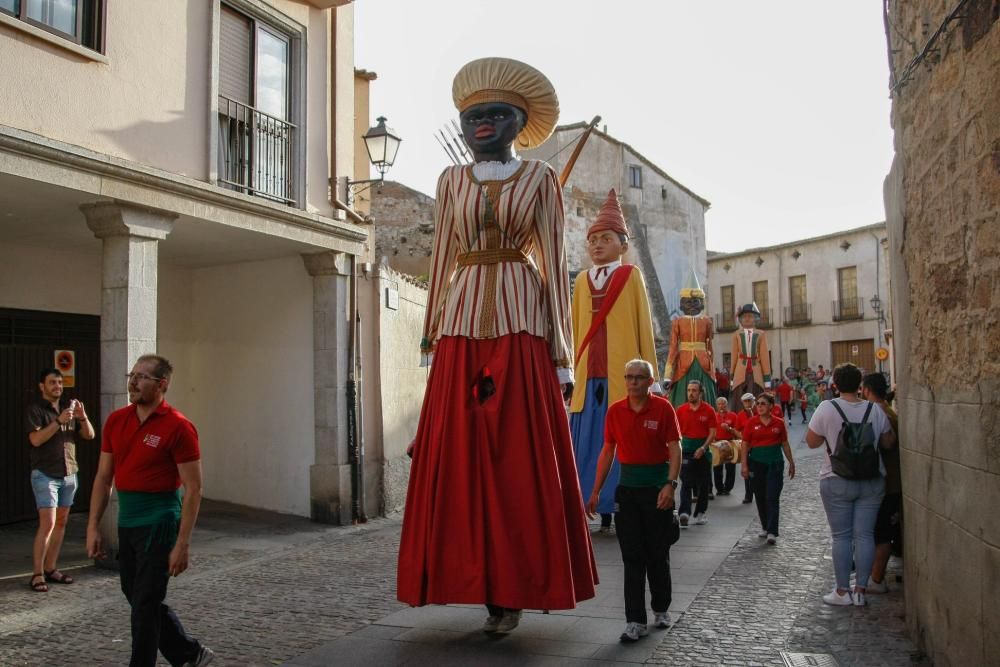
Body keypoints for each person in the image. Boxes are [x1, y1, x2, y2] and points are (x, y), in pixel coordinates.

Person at [397, 57, 598, 634]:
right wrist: (431, 336)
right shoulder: (449, 181)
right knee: (459, 457)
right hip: (461, 320)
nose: (482, 122)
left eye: (496, 114)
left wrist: (561, 354)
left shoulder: (538, 181)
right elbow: (440, 259)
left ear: (519, 123)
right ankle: (470, 576)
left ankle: (514, 585)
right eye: (473, 115)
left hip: (522, 317)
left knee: (516, 457)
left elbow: (556, 261)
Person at [86, 355, 213, 666]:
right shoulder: (117, 420)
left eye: (142, 377)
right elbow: (104, 478)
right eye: (132, 374)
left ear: (162, 384)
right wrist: (92, 526)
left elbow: (194, 489)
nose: (133, 381)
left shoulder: (179, 427)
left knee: (144, 602)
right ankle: (188, 653)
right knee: (137, 595)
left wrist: (182, 544)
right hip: (128, 522)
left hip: (160, 522)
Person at [570, 189, 660, 536]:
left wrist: (649, 375)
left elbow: (643, 325)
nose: (596, 245)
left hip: (623, 375)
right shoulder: (580, 281)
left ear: (623, 244)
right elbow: (575, 327)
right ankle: (587, 503)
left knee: (619, 441)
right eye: (592, 239)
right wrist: (568, 369)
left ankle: (616, 505)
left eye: (605, 238)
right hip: (586, 375)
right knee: (587, 440)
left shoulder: (631, 275)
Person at [587, 359, 681, 643]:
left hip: (657, 489)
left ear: (649, 381)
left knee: (657, 553)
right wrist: (595, 490)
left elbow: (675, 449)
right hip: (628, 491)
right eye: (628, 377)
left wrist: (670, 484)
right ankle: (635, 620)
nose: (633, 382)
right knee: (631, 557)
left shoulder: (663, 408)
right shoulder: (615, 411)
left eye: (639, 377)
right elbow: (607, 451)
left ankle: (661, 608)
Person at [807, 363, 895, 607]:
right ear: (860, 385)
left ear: (834, 384)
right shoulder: (875, 410)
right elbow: (888, 442)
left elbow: (812, 441)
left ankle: (842, 591)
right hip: (871, 480)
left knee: (841, 537)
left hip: (836, 479)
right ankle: (861, 591)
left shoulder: (827, 407)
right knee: (865, 535)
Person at [25, 368, 96, 592]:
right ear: (42, 386)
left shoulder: (69, 409)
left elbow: (90, 435)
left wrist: (82, 417)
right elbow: (35, 440)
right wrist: (58, 421)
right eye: (52, 382)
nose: (57, 386)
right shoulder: (36, 410)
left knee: (62, 522)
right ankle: (37, 574)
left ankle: (51, 568)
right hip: (45, 473)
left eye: (59, 382)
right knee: (48, 523)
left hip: (69, 472)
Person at [861, 373, 901, 593]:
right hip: (887, 483)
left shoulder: (881, 413)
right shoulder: (886, 412)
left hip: (889, 484)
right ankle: (873, 576)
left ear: (867, 390)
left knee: (882, 533)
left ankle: (876, 580)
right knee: (878, 531)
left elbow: (887, 445)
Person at [740, 393, 795, 545]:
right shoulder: (751, 423)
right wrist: (744, 465)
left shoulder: (778, 423)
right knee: (760, 496)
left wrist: (791, 462)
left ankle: (772, 531)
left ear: (771, 406)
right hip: (756, 464)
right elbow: (744, 444)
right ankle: (765, 526)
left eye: (763, 403)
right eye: (758, 404)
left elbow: (784, 443)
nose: (759, 406)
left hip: (775, 464)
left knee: (772, 496)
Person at [664, 270, 716, 408]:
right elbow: (673, 348)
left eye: (695, 301)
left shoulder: (707, 321)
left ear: (701, 303)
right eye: (688, 302)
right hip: (682, 364)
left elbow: (710, 347)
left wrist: (712, 370)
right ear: (681, 304)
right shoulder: (677, 322)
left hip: (703, 364)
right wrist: (668, 375)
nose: (692, 304)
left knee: (706, 397)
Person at [674, 380, 718, 527]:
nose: (691, 393)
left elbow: (712, 432)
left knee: (703, 485)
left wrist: (703, 448)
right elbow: (675, 432)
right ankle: (684, 513)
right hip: (685, 451)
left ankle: (700, 513)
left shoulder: (709, 410)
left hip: (703, 452)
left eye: (694, 390)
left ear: (700, 393)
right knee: (686, 482)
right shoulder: (680, 410)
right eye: (689, 390)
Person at [729, 303, 771, 411]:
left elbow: (765, 359)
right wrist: (731, 379)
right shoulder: (736, 335)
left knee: (756, 397)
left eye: (750, 316)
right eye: (744, 316)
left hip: (756, 371)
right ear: (741, 319)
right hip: (740, 372)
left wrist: (767, 383)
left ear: (755, 318)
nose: (747, 318)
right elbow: (733, 358)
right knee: (738, 399)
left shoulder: (761, 334)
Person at [713, 397, 739, 495]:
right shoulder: (714, 416)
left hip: (730, 443)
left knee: (730, 467)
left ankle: (728, 488)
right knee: (717, 467)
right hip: (717, 444)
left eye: (723, 404)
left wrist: (729, 429)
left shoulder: (733, 416)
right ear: (716, 405)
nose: (721, 406)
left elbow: (737, 431)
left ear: (727, 404)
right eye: (719, 404)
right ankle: (719, 488)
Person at [734, 393, 757, 504]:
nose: (748, 404)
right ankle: (748, 495)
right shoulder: (740, 415)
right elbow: (737, 430)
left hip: (759, 446)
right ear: (742, 403)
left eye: (750, 401)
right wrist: (743, 438)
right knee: (747, 471)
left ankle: (758, 492)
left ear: (754, 402)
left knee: (758, 472)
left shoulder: (759, 412)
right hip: (747, 447)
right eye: (745, 402)